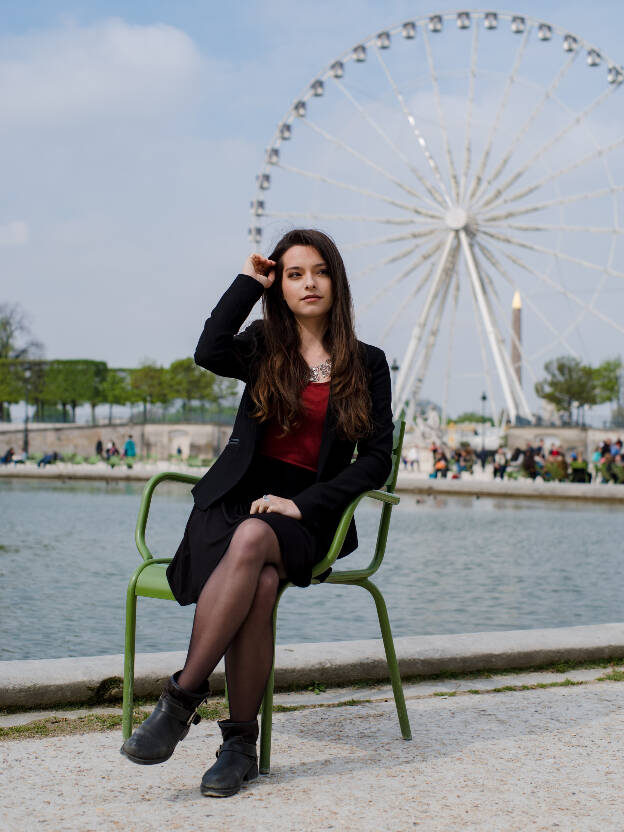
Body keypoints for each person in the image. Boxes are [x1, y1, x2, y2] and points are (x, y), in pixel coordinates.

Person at [120, 229, 394, 797]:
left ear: (335, 280)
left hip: (310, 517)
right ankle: (239, 746)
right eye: (294, 274)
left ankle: (181, 699)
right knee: (260, 580)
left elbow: (375, 461)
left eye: (318, 271)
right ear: (281, 285)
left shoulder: (367, 364)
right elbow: (207, 350)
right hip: (233, 503)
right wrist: (249, 282)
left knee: (256, 543)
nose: (308, 283)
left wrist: (302, 504)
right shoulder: (263, 344)